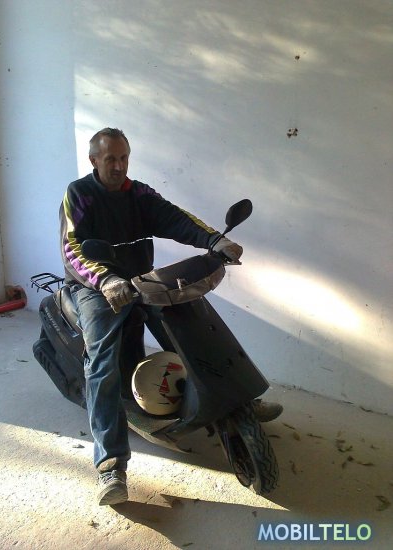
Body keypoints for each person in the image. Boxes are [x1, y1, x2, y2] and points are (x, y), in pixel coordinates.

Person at [60, 127, 282, 506]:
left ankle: (234, 400)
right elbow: (72, 247)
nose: (119, 165)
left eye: (124, 157)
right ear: (94, 160)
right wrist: (106, 279)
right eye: (110, 159)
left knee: (190, 324)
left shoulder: (138, 193)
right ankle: (110, 465)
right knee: (102, 362)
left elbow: (174, 217)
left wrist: (215, 241)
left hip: (139, 279)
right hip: (95, 286)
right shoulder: (79, 194)